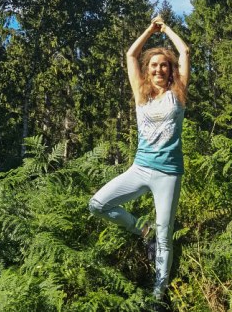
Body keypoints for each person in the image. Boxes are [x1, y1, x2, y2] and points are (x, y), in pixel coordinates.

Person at [88, 16, 190, 302]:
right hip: (140, 168)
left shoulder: (177, 94)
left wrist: (166, 29)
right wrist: (150, 29)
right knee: (97, 204)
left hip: (168, 173)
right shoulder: (140, 94)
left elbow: (185, 52)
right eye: (154, 65)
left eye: (164, 65)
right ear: (148, 70)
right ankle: (143, 230)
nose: (159, 68)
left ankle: (159, 293)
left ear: (170, 70)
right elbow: (131, 54)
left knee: (165, 234)